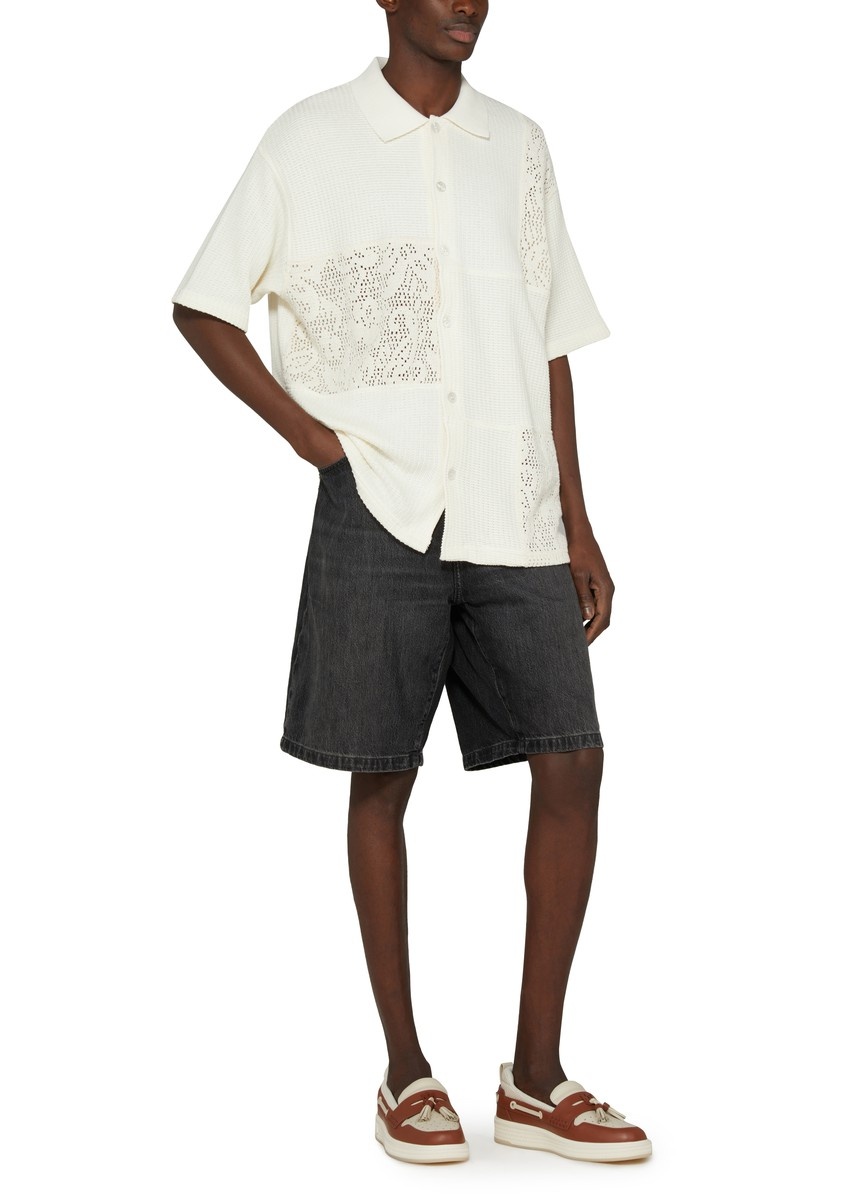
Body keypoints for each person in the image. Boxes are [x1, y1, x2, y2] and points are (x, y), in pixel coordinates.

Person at [172, 0, 651, 1167]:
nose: (467, 5)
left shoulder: (518, 146)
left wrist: (578, 519)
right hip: (379, 501)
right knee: (381, 774)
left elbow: (548, 341)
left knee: (572, 760)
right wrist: (310, 436)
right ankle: (405, 1071)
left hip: (512, 502)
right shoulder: (308, 139)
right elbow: (203, 302)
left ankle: (535, 1077)